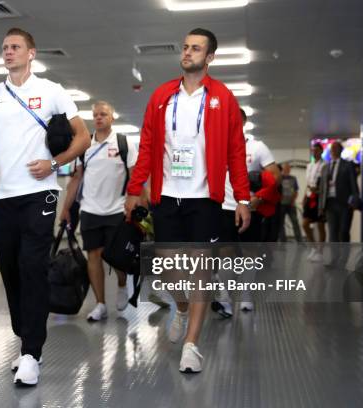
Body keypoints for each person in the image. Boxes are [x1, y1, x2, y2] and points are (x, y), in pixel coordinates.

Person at [0, 27, 90, 386]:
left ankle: (32, 352)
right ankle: (24, 335)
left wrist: (55, 164)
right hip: (2, 198)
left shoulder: (51, 91)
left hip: (39, 192)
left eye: (15, 47)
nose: (8, 52)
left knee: (32, 266)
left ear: (31, 53)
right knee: (12, 271)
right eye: (4, 48)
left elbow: (83, 136)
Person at [125, 28, 251, 374]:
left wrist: (242, 198)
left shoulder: (223, 97)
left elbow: (236, 153)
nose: (188, 52)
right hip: (167, 196)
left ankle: (192, 345)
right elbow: (148, 145)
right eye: (185, 47)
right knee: (167, 271)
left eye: (196, 48)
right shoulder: (163, 95)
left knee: (200, 271)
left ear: (209, 57)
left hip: (204, 198)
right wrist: (135, 188)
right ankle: (180, 307)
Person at [59, 101, 139, 321]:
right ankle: (100, 303)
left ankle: (122, 285)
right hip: (90, 210)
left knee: (116, 256)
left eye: (103, 114)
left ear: (112, 117)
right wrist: (66, 208)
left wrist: (136, 202)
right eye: (95, 115)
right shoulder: (84, 145)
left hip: (117, 210)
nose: (98, 118)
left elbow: (135, 177)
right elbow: (76, 179)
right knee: (94, 255)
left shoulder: (124, 143)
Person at [214, 109, 279, 316]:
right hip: (223, 208)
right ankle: (224, 298)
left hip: (250, 208)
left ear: (243, 122)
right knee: (226, 254)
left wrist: (259, 198)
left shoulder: (257, 147)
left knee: (250, 253)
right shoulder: (215, 146)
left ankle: (246, 294)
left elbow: (275, 175)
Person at [322, 141, 360, 268]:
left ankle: (343, 261)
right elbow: (322, 187)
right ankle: (334, 260)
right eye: (331, 148)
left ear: (340, 150)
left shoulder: (347, 165)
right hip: (330, 203)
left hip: (344, 204)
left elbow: (353, 185)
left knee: (343, 232)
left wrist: (354, 200)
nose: (332, 150)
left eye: (335, 148)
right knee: (332, 233)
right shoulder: (326, 167)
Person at [302, 143, 328, 262]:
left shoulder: (324, 165)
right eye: (313, 150)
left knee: (320, 225)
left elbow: (325, 185)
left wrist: (317, 191)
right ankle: (313, 248)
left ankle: (320, 252)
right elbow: (308, 184)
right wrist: (304, 197)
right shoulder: (309, 165)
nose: (314, 152)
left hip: (319, 198)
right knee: (305, 224)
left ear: (321, 151)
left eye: (317, 150)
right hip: (309, 196)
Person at [278, 163, 303, 242]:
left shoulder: (293, 178)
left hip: (291, 204)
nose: (287, 170)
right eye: (285, 168)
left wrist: (293, 199)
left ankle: (299, 241)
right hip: (281, 204)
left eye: (288, 168)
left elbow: (296, 190)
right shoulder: (279, 178)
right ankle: (283, 241)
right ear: (282, 169)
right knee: (281, 224)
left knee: (295, 222)